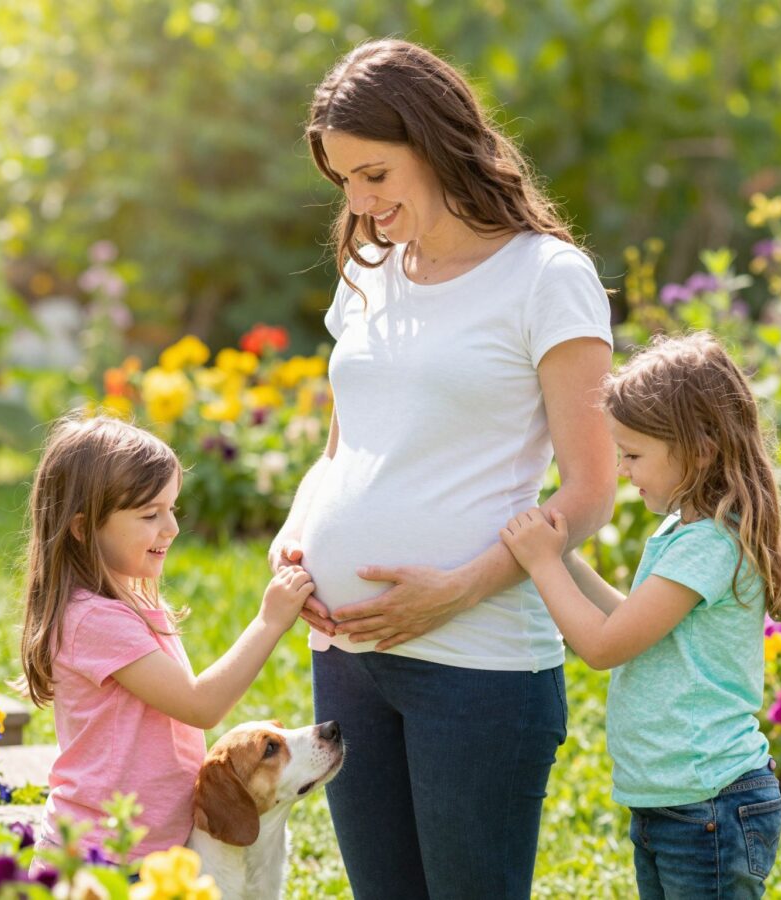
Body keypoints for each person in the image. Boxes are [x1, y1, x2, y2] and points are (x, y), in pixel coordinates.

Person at [270, 39, 617, 899]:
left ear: (434, 142)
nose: (360, 203)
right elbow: (342, 449)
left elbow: (590, 492)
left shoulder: (546, 277)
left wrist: (457, 589)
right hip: (345, 649)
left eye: (375, 175)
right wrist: (294, 536)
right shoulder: (368, 276)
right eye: (344, 181)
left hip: (479, 662)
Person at [500, 331, 781, 898]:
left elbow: (604, 647)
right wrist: (565, 558)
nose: (624, 470)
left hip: (709, 802)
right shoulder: (679, 529)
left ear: (699, 448)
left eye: (633, 454)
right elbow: (633, 625)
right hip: (673, 800)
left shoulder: (711, 544)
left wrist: (543, 567)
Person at [18, 414, 315, 858]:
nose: (171, 527)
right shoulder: (93, 620)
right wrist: (269, 622)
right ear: (82, 528)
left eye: (171, 508)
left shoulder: (127, 604)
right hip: (101, 860)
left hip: (142, 851)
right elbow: (201, 705)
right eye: (149, 514)